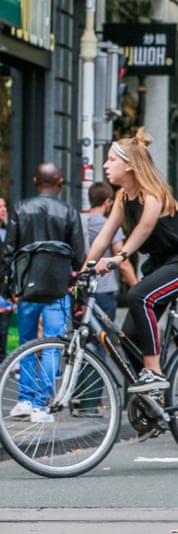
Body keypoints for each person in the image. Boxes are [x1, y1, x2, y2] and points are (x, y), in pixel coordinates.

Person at [88, 130, 178, 393]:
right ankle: (154, 400)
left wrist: (119, 257)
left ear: (129, 165)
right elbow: (104, 236)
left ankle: (154, 370)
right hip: (160, 266)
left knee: (139, 296)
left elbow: (144, 228)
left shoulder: (154, 194)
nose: (105, 165)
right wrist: (84, 269)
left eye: (111, 160)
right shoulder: (122, 197)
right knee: (128, 339)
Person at [1, 164, 87, 423]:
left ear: (36, 180)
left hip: (27, 288)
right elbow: (79, 256)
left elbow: (8, 252)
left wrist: (8, 289)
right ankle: (41, 404)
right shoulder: (69, 212)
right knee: (51, 346)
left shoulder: (20, 208)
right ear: (59, 182)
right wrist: (78, 295)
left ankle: (24, 400)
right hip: (57, 289)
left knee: (26, 343)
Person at [83, 182, 139, 324]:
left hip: (82, 289)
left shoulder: (79, 220)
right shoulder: (110, 226)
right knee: (104, 339)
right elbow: (123, 262)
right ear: (108, 201)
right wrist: (137, 288)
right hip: (103, 289)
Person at [0, 197, 12, 365]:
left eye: (4, 206)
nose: (3, 209)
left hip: (5, 292)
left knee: (3, 334)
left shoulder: (9, 232)